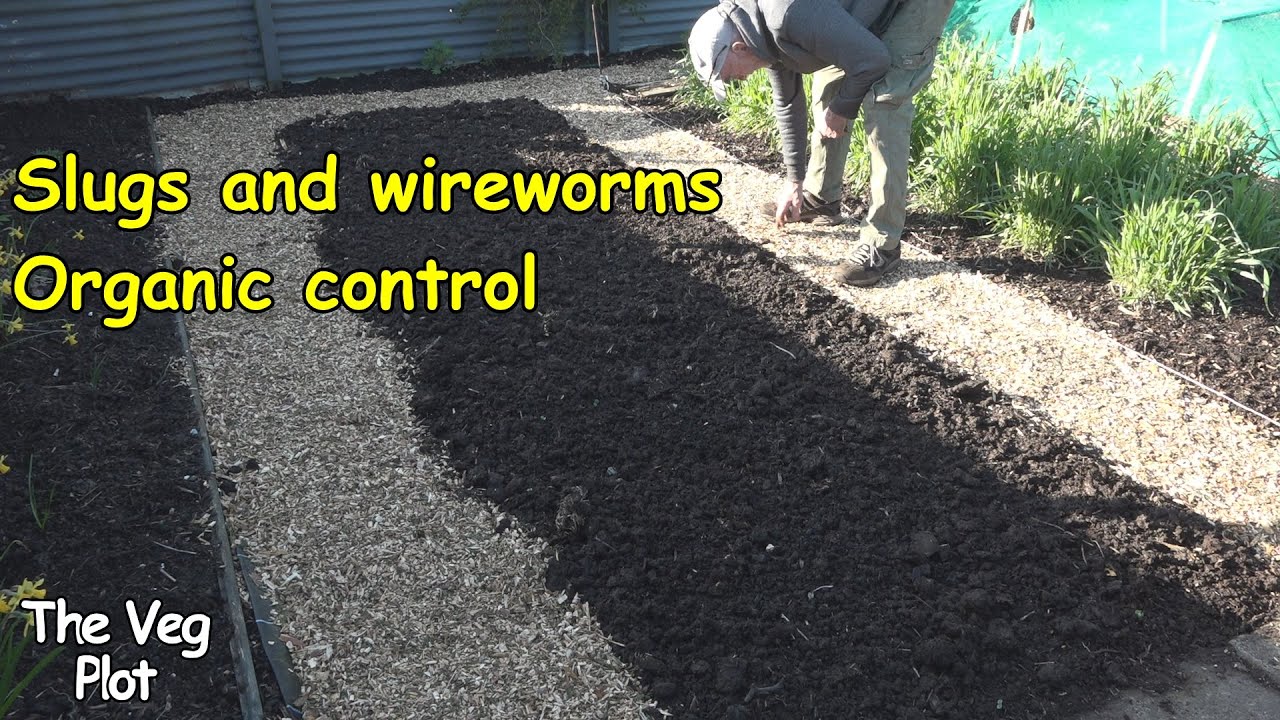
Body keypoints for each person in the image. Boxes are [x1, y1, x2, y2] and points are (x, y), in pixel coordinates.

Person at [688, 0, 956, 287]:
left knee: (885, 103)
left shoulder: (786, 16)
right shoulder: (759, 32)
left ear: (739, 47)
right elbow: (788, 102)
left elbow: (874, 59)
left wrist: (841, 111)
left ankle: (883, 242)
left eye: (730, 75)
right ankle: (822, 199)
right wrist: (794, 181)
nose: (738, 79)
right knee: (830, 83)